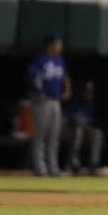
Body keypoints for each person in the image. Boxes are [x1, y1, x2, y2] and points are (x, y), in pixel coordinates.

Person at [27, 35, 71, 176]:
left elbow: (65, 76)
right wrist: (38, 92)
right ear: (50, 45)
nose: (60, 47)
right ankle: (40, 169)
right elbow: (33, 77)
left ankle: (53, 168)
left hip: (55, 101)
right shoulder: (40, 60)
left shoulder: (59, 60)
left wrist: (68, 89)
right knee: (40, 136)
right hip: (42, 102)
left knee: (54, 136)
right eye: (58, 44)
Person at [63, 81, 108, 176]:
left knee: (97, 133)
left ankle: (94, 164)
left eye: (91, 93)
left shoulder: (91, 105)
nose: (89, 95)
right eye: (88, 92)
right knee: (78, 131)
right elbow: (67, 118)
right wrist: (77, 122)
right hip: (69, 132)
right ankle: (72, 164)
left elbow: (89, 122)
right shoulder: (75, 103)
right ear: (83, 92)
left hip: (84, 133)